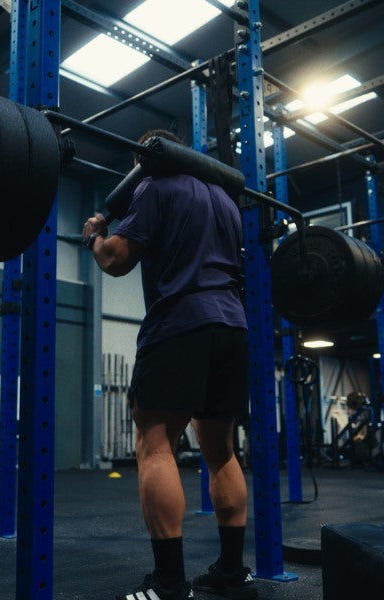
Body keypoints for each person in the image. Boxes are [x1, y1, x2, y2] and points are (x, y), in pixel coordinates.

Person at [82, 129, 256, 600]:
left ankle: (169, 584)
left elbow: (117, 259)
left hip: (180, 323)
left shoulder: (153, 186)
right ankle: (232, 573)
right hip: (232, 327)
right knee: (221, 452)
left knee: (155, 446)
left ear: (148, 157)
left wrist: (96, 238)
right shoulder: (225, 198)